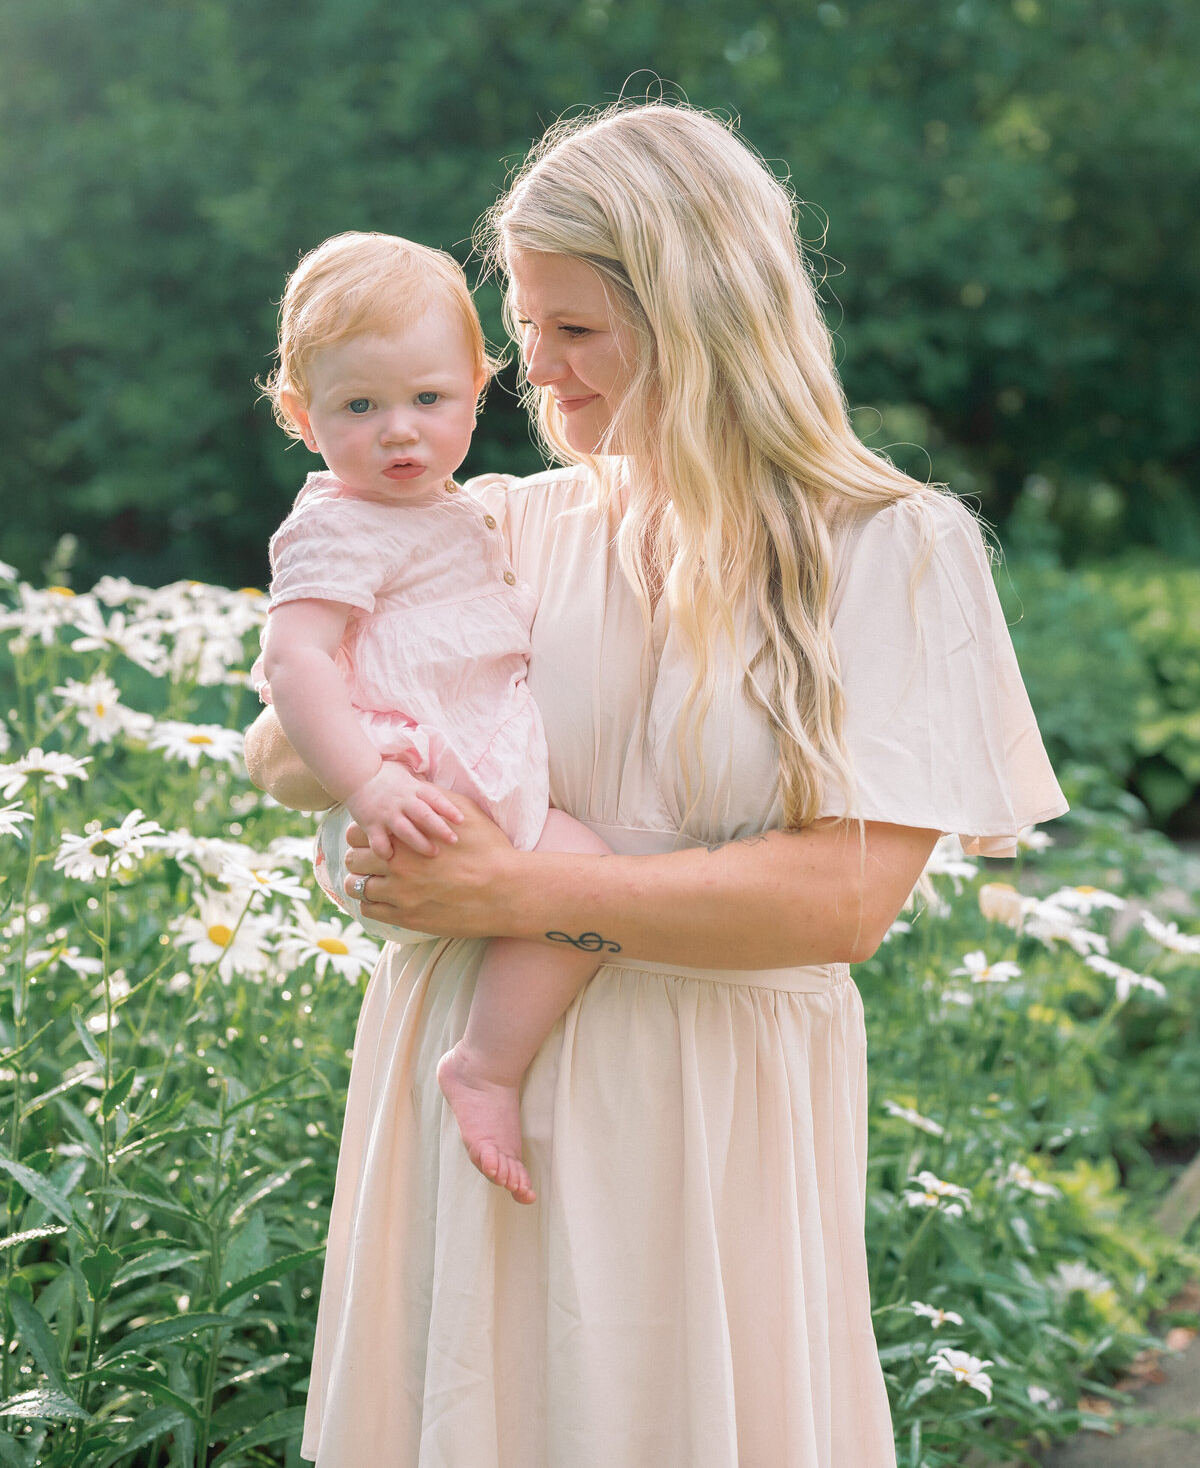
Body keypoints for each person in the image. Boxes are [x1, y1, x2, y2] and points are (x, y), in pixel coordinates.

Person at [246, 101, 1067, 1468]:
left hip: (705, 1116)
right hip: (465, 1101)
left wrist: (514, 880)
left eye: (578, 328)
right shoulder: (492, 524)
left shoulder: (891, 550)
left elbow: (842, 898)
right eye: (523, 324)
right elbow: (280, 741)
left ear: (700, 308)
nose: (536, 369)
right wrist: (362, 723)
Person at [256, 231, 611, 1204]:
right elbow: (292, 661)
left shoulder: (462, 512)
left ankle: (488, 1062)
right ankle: (485, 1067)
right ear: (302, 414)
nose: (399, 431)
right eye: (359, 406)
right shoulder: (337, 522)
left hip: (456, 776)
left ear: (478, 386)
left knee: (580, 878)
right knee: (581, 876)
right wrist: (367, 783)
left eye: (428, 399)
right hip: (403, 789)